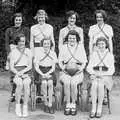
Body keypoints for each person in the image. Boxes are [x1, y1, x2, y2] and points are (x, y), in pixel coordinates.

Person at [58, 30, 87, 115]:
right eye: (70, 38)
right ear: (67, 38)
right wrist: (63, 68)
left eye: (73, 38)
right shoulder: (63, 47)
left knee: (73, 83)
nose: (72, 39)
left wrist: (81, 69)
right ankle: (68, 103)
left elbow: (84, 61)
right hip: (65, 70)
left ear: (77, 38)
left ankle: (73, 103)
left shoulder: (80, 47)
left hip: (78, 70)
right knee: (67, 82)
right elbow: (60, 61)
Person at [87, 37, 115, 118]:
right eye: (99, 44)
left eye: (102, 44)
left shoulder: (110, 55)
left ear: (106, 44)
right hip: (95, 75)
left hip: (106, 76)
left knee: (100, 85)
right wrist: (93, 73)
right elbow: (89, 67)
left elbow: (112, 69)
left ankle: (99, 108)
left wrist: (102, 75)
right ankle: (93, 108)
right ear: (96, 45)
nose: (101, 45)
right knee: (95, 84)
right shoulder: (94, 54)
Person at [5, 12, 30, 101]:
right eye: (16, 20)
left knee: (22, 73)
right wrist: (9, 53)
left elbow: (27, 42)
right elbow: (7, 43)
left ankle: (21, 94)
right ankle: (13, 93)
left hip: (22, 51)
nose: (18, 21)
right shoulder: (9, 30)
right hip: (12, 51)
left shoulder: (26, 29)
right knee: (13, 73)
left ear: (22, 21)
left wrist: (25, 52)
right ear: (14, 20)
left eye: (20, 20)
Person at [9, 34, 32, 117]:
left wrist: (23, 72)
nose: (21, 43)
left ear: (25, 42)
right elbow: (11, 67)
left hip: (26, 71)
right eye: (20, 41)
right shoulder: (13, 52)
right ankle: (17, 106)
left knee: (26, 84)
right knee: (19, 84)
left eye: (23, 41)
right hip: (16, 72)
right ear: (17, 42)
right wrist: (18, 73)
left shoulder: (28, 51)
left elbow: (30, 66)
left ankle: (25, 107)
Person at [34, 38, 57, 114]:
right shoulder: (38, 53)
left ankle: (50, 104)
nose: (46, 45)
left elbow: (53, 67)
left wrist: (48, 74)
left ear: (50, 44)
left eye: (48, 44)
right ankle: (45, 102)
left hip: (50, 71)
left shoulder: (53, 53)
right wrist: (42, 74)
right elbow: (36, 67)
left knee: (50, 83)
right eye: (45, 44)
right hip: (40, 71)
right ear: (42, 45)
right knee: (44, 83)